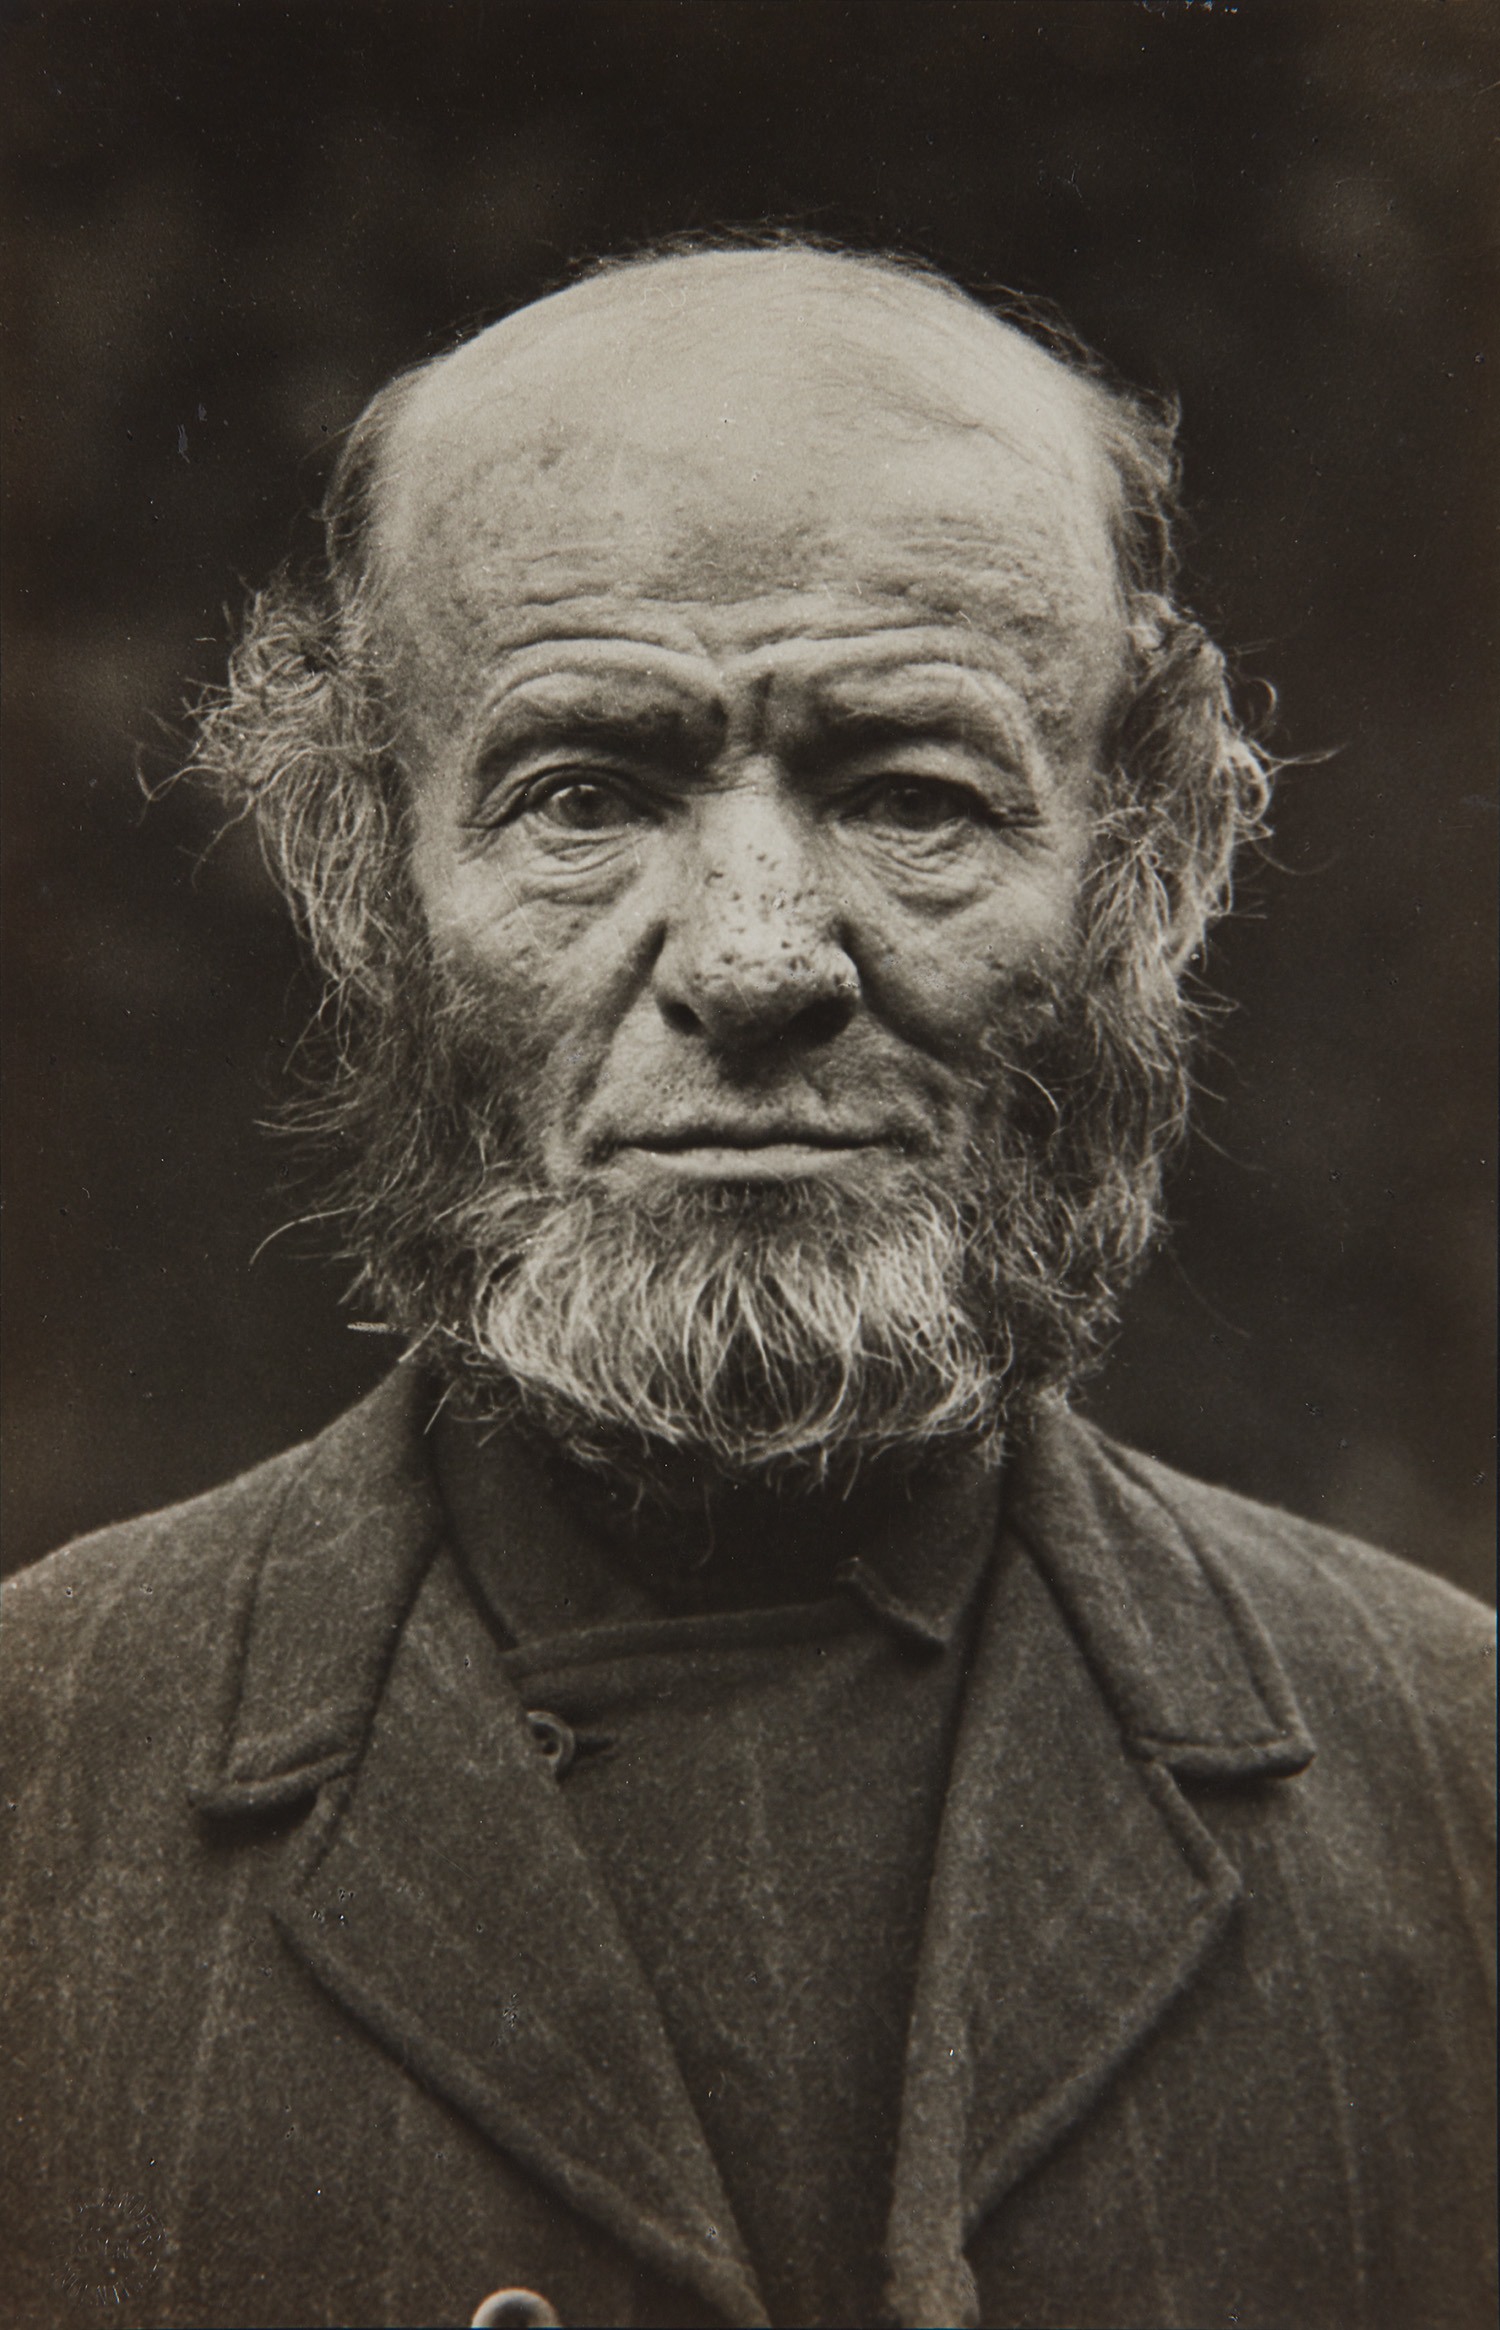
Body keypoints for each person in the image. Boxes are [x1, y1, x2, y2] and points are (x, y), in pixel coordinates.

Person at [2, 240, 1493, 2330]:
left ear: (1145, 865)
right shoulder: (30, 1773)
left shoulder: (1456, 1780)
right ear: (370, 874)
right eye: (585, 795)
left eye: (910, 793)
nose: (758, 955)